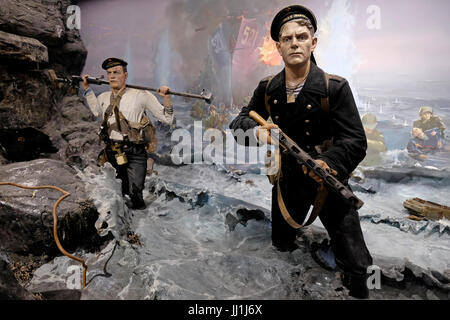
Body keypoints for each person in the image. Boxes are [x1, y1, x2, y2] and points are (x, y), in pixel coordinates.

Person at [229, 5, 373, 298]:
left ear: (313, 42)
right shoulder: (269, 88)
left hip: (327, 181)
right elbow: (239, 122)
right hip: (288, 181)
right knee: (281, 245)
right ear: (278, 47)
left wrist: (327, 162)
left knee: (359, 265)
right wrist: (258, 132)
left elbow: (355, 140)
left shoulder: (335, 87)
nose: (295, 43)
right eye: (288, 39)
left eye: (302, 37)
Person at [82, 57, 174, 209]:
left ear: (125, 75)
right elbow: (96, 111)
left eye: (116, 72)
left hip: (135, 152)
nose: (112, 76)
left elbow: (167, 118)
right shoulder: (104, 97)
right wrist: (87, 89)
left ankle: (141, 222)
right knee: (118, 191)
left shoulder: (141, 95)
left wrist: (167, 98)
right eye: (109, 73)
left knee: (135, 193)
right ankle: (124, 225)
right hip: (112, 151)